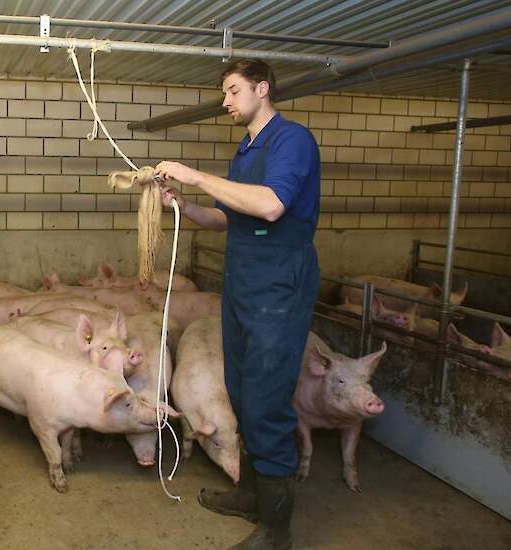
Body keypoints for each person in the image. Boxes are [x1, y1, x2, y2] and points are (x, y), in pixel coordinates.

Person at [155, 59, 320, 550]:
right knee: (243, 393)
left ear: (261, 88)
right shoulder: (245, 150)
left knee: (267, 401)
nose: (225, 101)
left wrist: (195, 175)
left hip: (278, 286)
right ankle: (251, 494)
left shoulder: (292, 141)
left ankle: (276, 530)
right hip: (244, 284)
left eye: (232, 91)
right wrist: (182, 205)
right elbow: (227, 218)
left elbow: (271, 205)